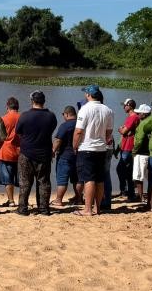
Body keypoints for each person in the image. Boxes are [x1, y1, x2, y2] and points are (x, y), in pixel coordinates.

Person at [73, 85, 114, 216]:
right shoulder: (108, 110)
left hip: (87, 148)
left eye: (86, 93)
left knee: (89, 179)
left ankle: (87, 209)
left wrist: (74, 146)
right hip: (101, 148)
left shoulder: (84, 109)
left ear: (89, 95)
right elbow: (109, 132)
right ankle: (98, 208)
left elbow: (78, 131)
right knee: (100, 179)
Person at [16, 91, 58, 216]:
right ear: (44, 101)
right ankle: (43, 209)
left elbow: (18, 132)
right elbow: (51, 130)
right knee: (44, 182)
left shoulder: (24, 116)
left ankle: (23, 209)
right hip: (44, 153)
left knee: (25, 182)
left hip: (26, 153)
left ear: (32, 101)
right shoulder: (51, 116)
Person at [52, 105, 81, 207]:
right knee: (77, 179)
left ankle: (59, 200)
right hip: (78, 156)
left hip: (65, 156)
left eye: (63, 114)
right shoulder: (80, 125)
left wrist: (53, 151)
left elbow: (58, 140)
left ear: (67, 114)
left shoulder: (65, 126)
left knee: (62, 179)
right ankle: (79, 199)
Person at [0, 97, 21, 208]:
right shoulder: (23, 118)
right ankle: (22, 200)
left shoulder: (3, 119)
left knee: (8, 179)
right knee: (22, 179)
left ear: (7, 107)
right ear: (17, 107)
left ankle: (11, 201)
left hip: (5, 151)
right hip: (20, 152)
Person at [116, 99, 142, 202]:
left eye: (125, 105)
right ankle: (126, 191)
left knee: (124, 170)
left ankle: (128, 192)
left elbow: (124, 131)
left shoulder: (133, 117)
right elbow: (125, 131)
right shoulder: (131, 117)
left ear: (130, 106)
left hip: (129, 147)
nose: (123, 107)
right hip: (126, 146)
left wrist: (121, 129)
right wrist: (123, 130)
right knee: (124, 170)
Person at [130, 104, 152, 210]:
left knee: (138, 177)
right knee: (151, 177)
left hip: (141, 153)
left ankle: (141, 197)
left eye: (139, 113)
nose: (138, 114)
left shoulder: (143, 123)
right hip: (151, 153)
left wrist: (134, 151)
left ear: (144, 114)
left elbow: (139, 140)